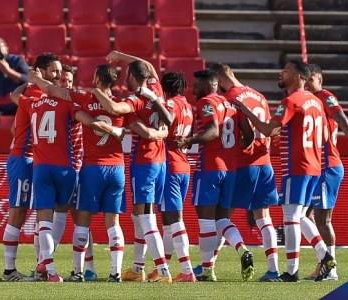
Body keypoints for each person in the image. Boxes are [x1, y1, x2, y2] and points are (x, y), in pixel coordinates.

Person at [10, 53, 123, 282]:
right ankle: (50, 264)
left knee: (71, 217)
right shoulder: (74, 102)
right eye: (62, 80)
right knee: (70, 217)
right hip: (71, 166)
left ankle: (77, 268)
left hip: (71, 166)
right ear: (56, 83)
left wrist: (33, 81)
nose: (66, 84)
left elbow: (15, 109)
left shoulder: (41, 101)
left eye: (70, 81)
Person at [234, 60, 337, 282]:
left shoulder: (291, 100)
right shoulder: (317, 103)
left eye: (287, 70)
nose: (282, 73)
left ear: (299, 77)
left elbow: (270, 130)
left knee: (290, 217)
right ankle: (324, 255)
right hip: (315, 166)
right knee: (300, 216)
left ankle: (292, 272)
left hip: (296, 167)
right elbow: (326, 137)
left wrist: (249, 115)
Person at [95, 51, 173, 283]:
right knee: (139, 215)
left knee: (146, 217)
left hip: (145, 162)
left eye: (127, 76)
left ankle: (162, 271)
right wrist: (120, 55)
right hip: (161, 162)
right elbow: (147, 64)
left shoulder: (135, 101)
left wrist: (97, 92)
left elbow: (117, 111)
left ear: (131, 77)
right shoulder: (155, 89)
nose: (124, 80)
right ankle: (138, 269)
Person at [175, 69, 255, 282]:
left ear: (209, 86)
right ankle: (242, 249)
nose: (193, 90)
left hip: (209, 167)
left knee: (206, 222)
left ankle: (207, 270)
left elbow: (213, 131)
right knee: (221, 219)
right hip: (230, 169)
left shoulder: (206, 103)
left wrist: (188, 141)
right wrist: (235, 151)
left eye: (197, 85)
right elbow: (249, 135)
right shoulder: (232, 104)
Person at [209, 62, 280, 281]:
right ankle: (273, 270)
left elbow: (244, 134)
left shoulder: (229, 98)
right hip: (264, 162)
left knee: (222, 216)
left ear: (219, 80)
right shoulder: (259, 96)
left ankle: (208, 266)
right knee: (264, 217)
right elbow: (267, 129)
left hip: (241, 164)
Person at [303, 64, 348, 281]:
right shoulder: (306, 100)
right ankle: (324, 262)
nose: (308, 83)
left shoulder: (325, 96)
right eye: (306, 79)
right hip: (315, 166)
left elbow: (343, 120)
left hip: (327, 166)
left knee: (322, 219)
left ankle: (331, 270)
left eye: (311, 79)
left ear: (320, 80)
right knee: (304, 216)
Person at [145, 72, 196, 282]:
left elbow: (170, 119)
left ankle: (186, 270)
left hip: (171, 166)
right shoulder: (188, 106)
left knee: (175, 220)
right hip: (184, 165)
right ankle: (162, 267)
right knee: (167, 220)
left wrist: (154, 101)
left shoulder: (172, 105)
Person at [1, 81, 34, 282]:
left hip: (27, 159)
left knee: (27, 212)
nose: (57, 76)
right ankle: (9, 271)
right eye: (54, 71)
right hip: (23, 159)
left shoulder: (27, 96)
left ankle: (40, 268)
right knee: (18, 212)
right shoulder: (36, 96)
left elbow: (14, 129)